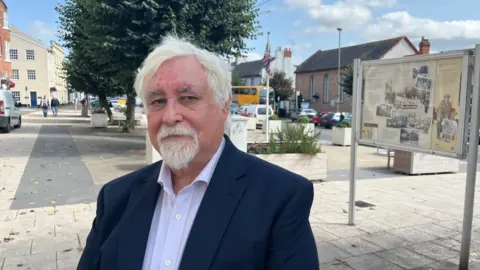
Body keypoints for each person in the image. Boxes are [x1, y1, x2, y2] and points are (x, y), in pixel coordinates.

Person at [77, 35, 319, 270]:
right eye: (158, 101)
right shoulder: (115, 197)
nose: (170, 116)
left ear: (224, 106)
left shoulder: (280, 198)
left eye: (188, 97)